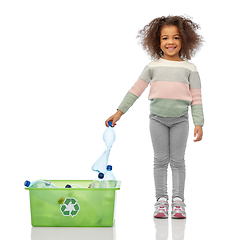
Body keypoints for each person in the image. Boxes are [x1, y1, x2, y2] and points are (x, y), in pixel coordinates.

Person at [105, 15, 204, 219]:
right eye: (165, 38)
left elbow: (196, 97)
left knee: (177, 161)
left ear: (184, 40)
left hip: (181, 120)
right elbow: (135, 91)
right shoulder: (152, 67)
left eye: (176, 37)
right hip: (157, 119)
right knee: (160, 160)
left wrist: (199, 122)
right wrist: (119, 112)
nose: (170, 42)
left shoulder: (190, 69)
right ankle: (161, 200)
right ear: (157, 42)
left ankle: (178, 201)